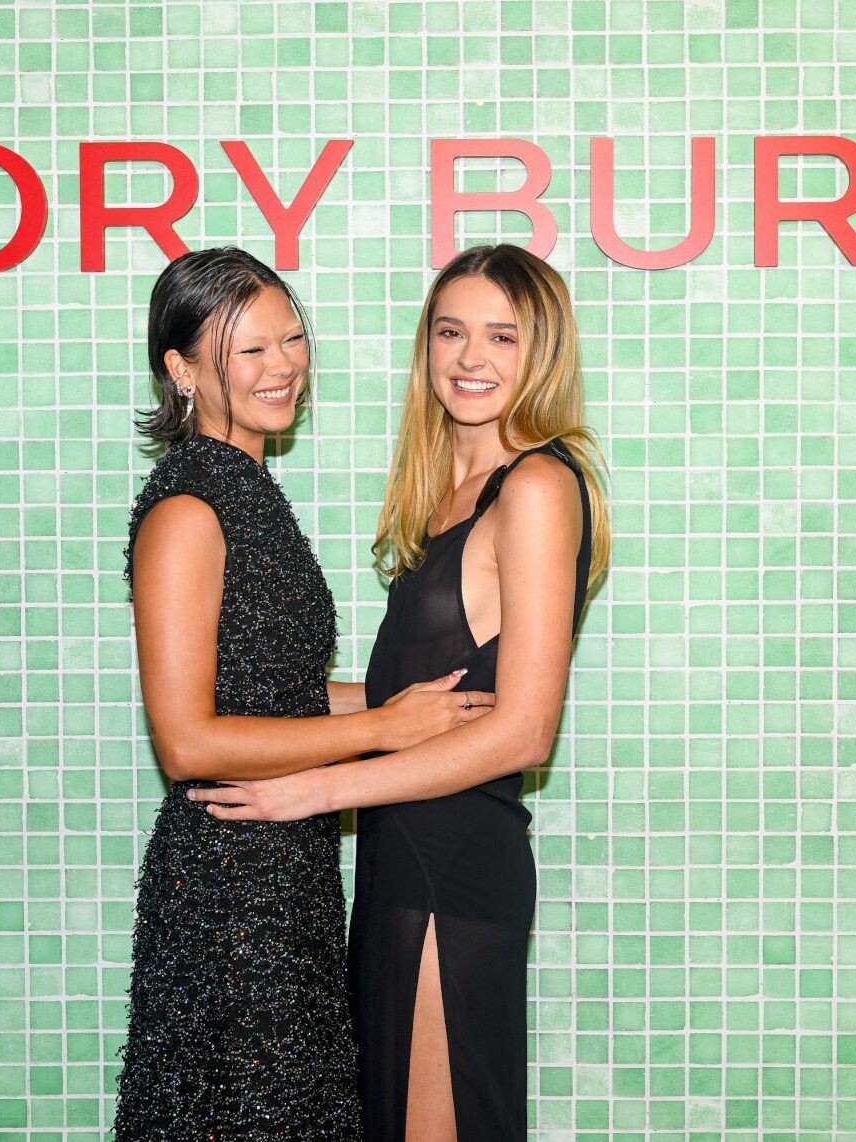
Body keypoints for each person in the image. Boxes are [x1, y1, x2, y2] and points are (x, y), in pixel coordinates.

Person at [187, 244, 611, 1141]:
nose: (471, 357)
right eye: (451, 332)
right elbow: (402, 702)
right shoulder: (444, 490)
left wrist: (313, 790)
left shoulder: (536, 485)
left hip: (454, 865)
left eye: (502, 336)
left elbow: (523, 731)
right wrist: (249, 715)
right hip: (396, 857)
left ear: (543, 352)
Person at [111, 246, 496, 1139]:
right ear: (181, 370)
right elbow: (189, 742)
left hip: (289, 873)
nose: (281, 365)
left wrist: (412, 700)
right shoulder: (187, 511)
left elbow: (272, 694)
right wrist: (386, 726)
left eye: (290, 339)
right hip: (227, 888)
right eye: (249, 350)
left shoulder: (248, 491)